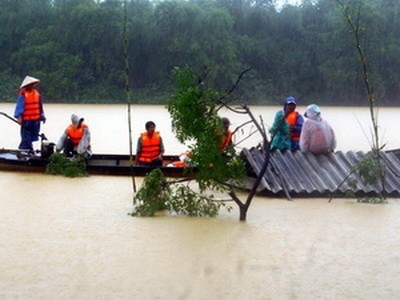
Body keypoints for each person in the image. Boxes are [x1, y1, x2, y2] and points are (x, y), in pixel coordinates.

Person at [14, 75, 46, 151]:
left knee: (32, 136)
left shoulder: (36, 93)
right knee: (26, 137)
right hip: (27, 120)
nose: (31, 86)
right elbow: (19, 106)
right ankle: (24, 150)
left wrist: (42, 116)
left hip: (35, 120)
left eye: (32, 84)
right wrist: (19, 116)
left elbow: (40, 106)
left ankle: (29, 149)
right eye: (29, 85)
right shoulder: (23, 95)